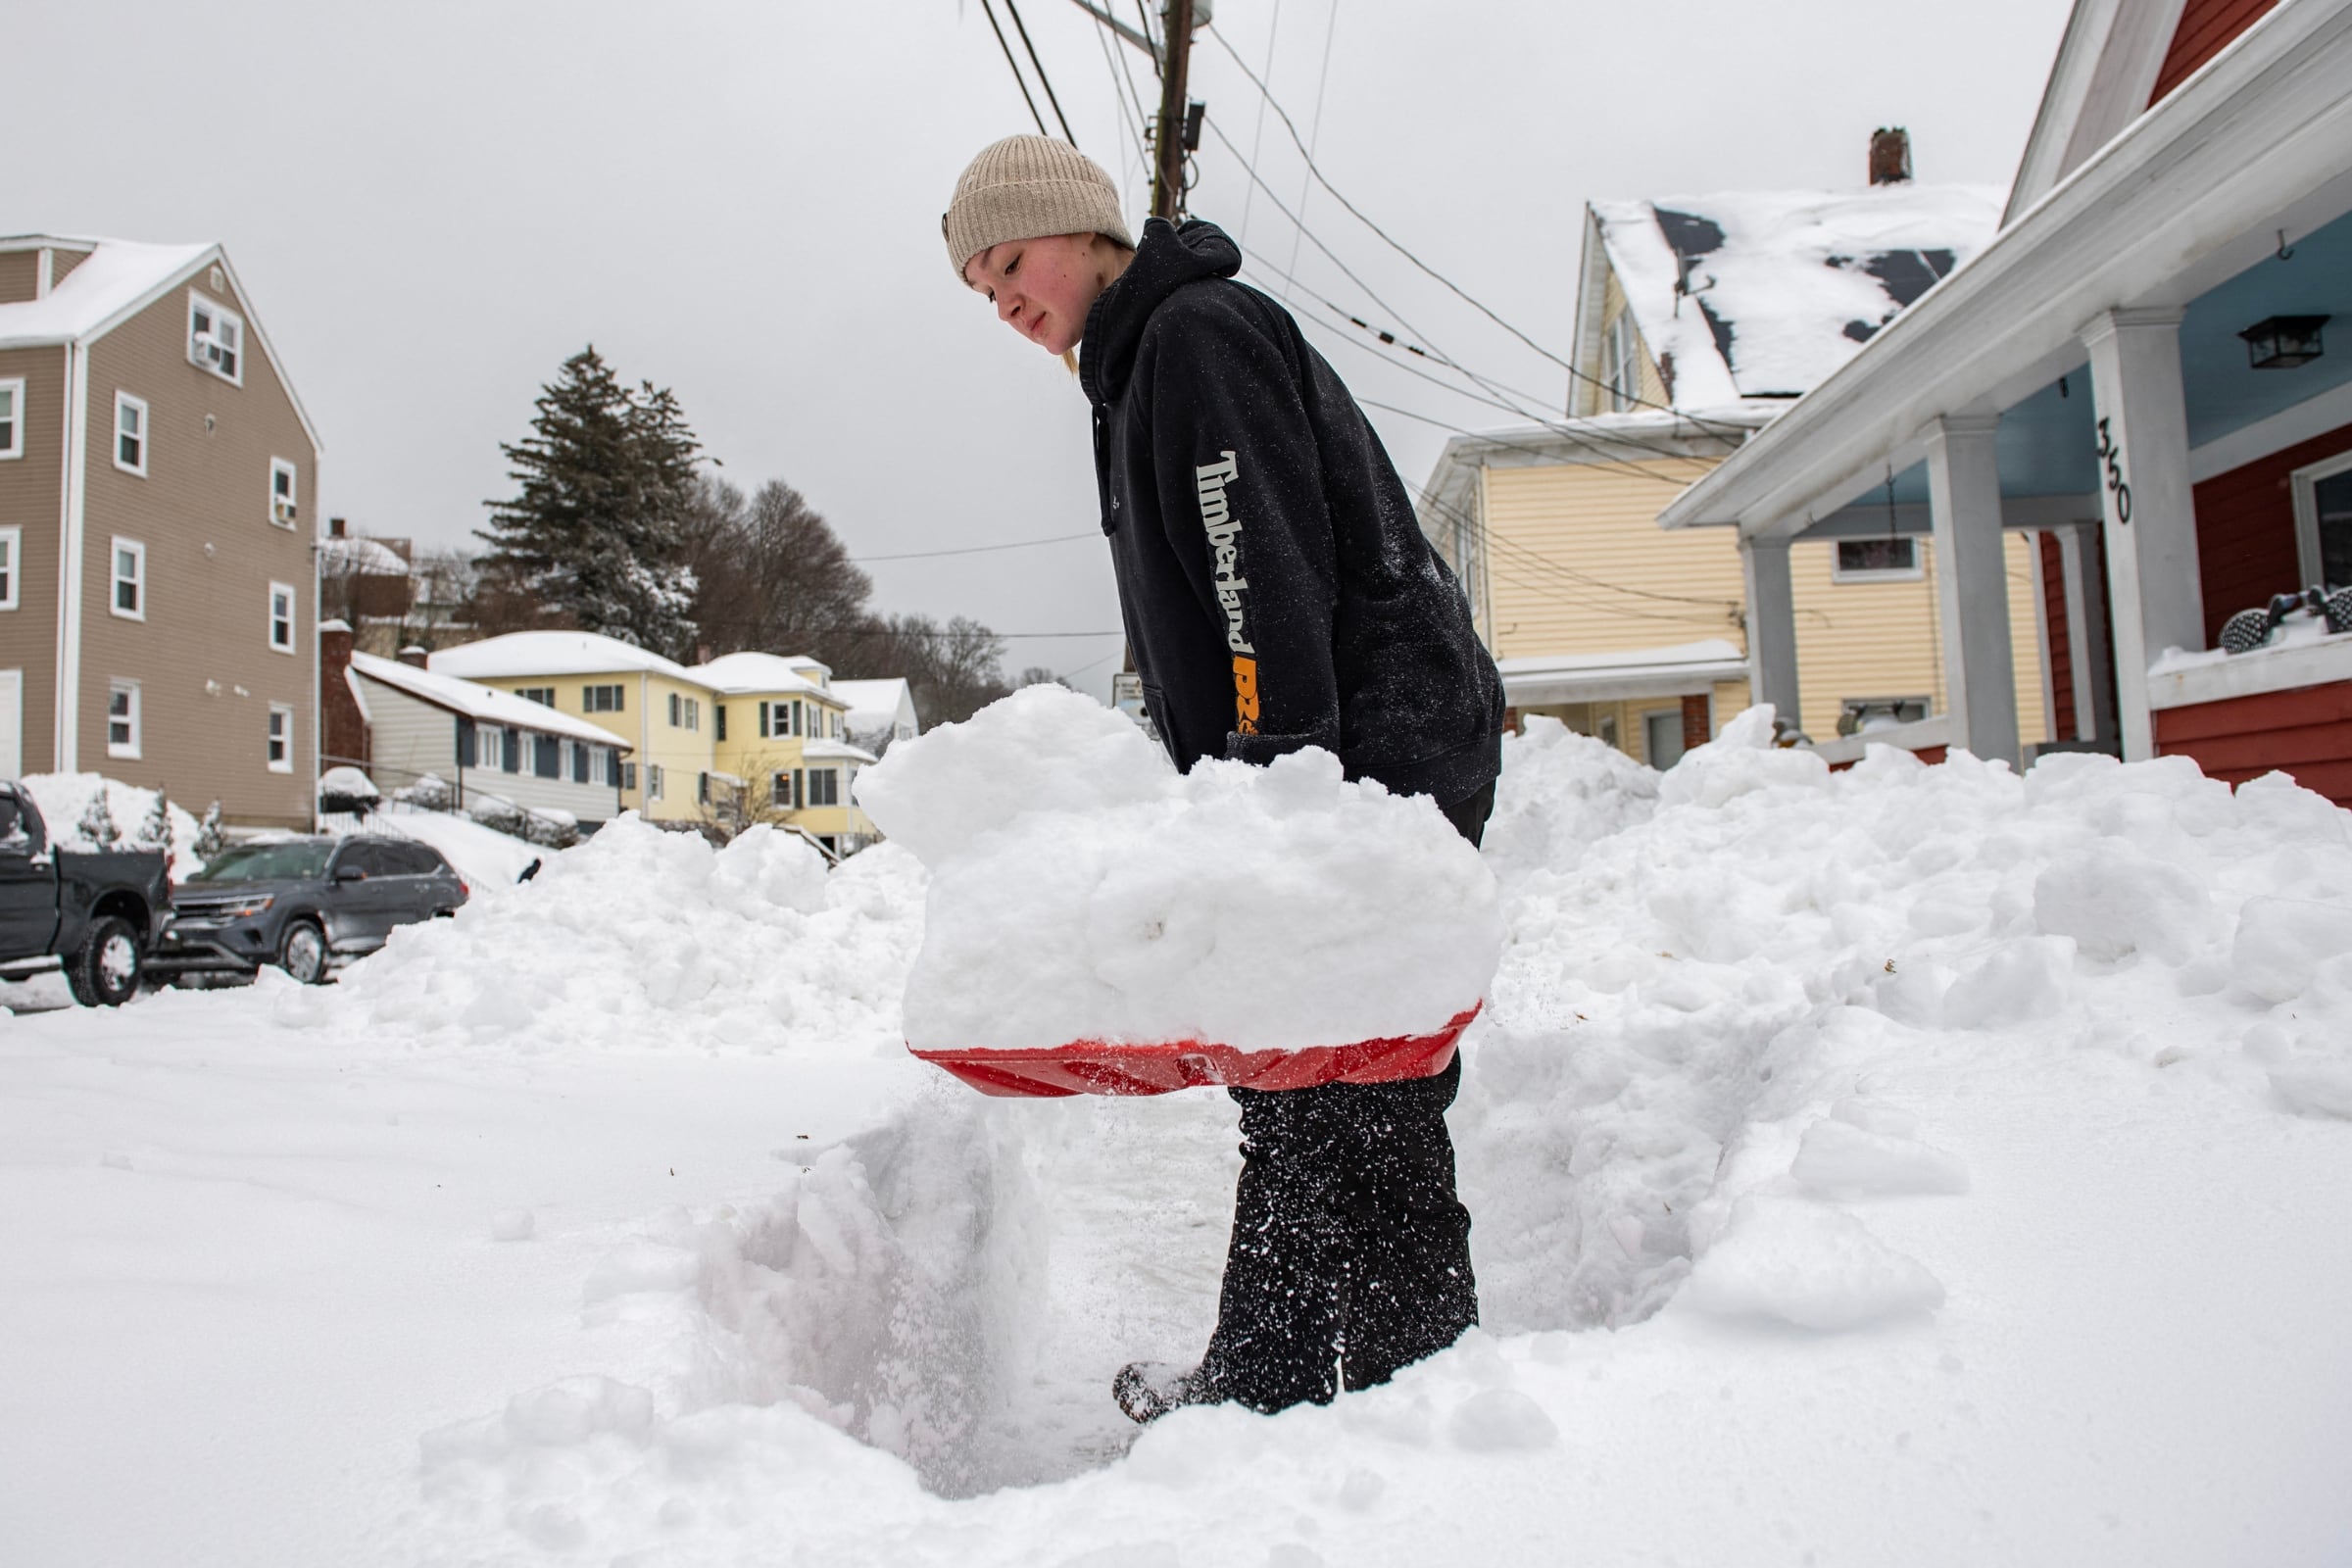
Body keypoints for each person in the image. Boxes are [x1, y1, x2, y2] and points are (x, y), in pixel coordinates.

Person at [943, 135, 1506, 1421]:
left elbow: (1260, 577)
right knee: (1311, 1089)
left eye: (1012, 262)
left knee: (1351, 1085)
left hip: (1365, 757)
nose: (1006, 300)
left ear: (1085, 233)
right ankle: (1304, 1375)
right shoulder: (1137, 370)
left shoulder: (1197, 337)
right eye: (983, 289)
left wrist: (1273, 789)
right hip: (1332, 758)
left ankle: (1389, 1392)